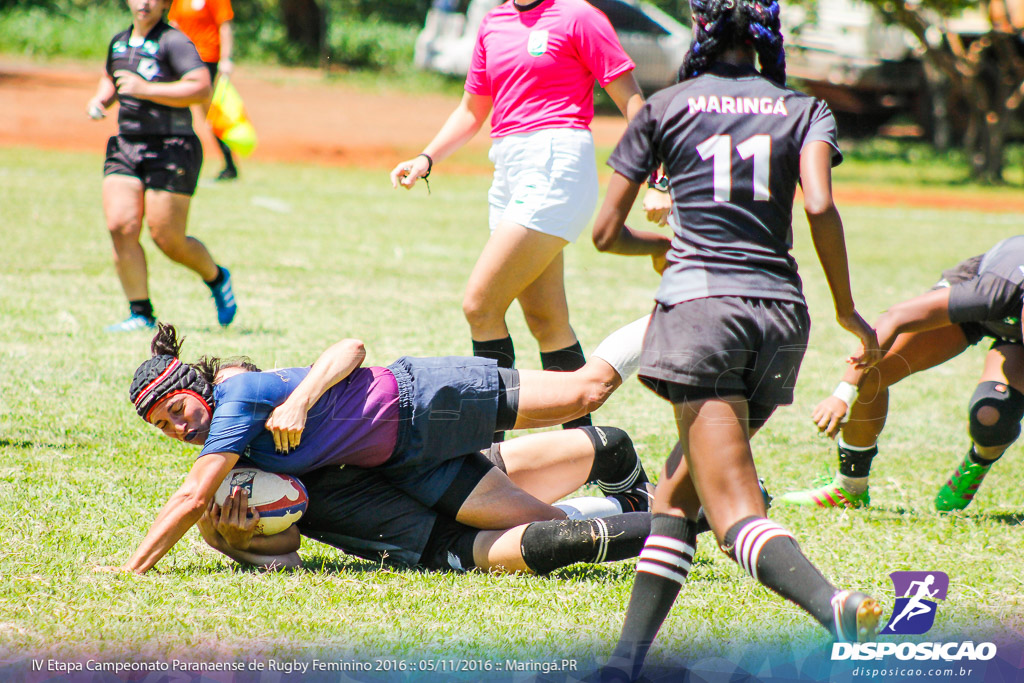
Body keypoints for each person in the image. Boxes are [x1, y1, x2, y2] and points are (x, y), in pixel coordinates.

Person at [588, 0, 885, 676]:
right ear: (766, 35)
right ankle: (623, 662)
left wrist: (667, 245)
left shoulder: (666, 106)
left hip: (702, 317)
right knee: (675, 495)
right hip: (781, 317)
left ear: (700, 28)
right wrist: (847, 310)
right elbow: (818, 205)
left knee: (732, 514)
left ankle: (832, 603)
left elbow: (606, 233)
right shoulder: (802, 107)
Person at [111, 315, 652, 574]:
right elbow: (277, 542)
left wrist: (133, 569)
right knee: (550, 527)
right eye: (164, 425)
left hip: (424, 400)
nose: (179, 428)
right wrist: (230, 539)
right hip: (410, 466)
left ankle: (681, 308)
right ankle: (658, 519)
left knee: (588, 389)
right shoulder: (242, 456)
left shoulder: (237, 400)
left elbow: (350, 344)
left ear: (197, 386)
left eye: (177, 410)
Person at [390, 0, 656, 431]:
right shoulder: (494, 22)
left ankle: (486, 444)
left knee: (480, 305)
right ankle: (588, 449)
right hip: (510, 167)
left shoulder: (577, 15)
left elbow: (633, 102)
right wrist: (427, 157)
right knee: (548, 322)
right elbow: (472, 110)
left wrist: (655, 168)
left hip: (556, 160)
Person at [781, 235, 1024, 513]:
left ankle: (980, 458)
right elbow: (894, 318)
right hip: (982, 305)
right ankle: (850, 487)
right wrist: (843, 393)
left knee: (991, 420)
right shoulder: (991, 290)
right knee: (872, 374)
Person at [87, 0, 237, 332]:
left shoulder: (174, 41)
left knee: (168, 238)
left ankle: (216, 277)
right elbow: (112, 77)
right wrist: (101, 99)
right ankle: (140, 312)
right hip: (127, 143)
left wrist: (146, 89)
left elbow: (201, 87)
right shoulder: (119, 41)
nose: (145, 2)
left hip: (171, 146)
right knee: (120, 226)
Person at [168, 0, 240, 181]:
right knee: (174, 107)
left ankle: (229, 163)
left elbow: (224, 26)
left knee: (209, 114)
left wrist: (226, 59)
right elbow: (173, 24)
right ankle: (173, 160)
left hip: (206, 60)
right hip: (181, 58)